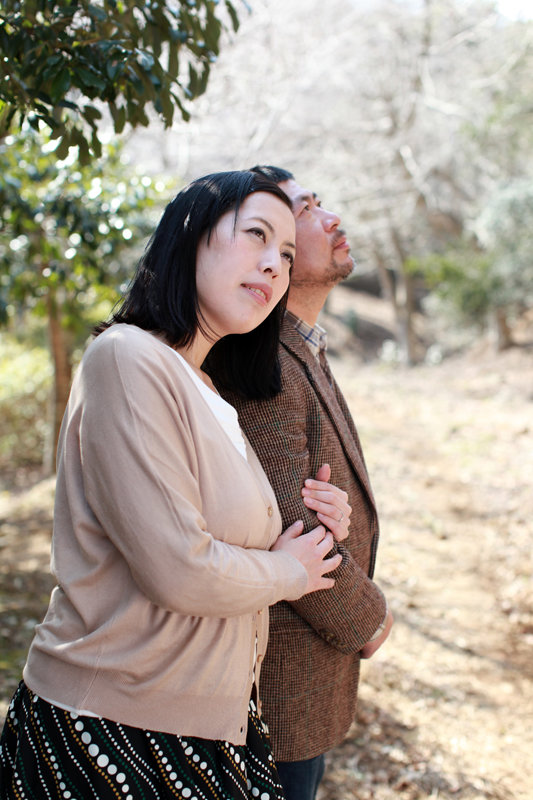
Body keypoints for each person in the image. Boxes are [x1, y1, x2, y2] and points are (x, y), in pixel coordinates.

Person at [0, 170, 352, 800]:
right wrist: (290, 571)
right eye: (256, 236)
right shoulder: (127, 358)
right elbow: (178, 567)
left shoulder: (208, 389)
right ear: (190, 235)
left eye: (286, 254)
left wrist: (314, 525)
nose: (274, 266)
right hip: (111, 731)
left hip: (208, 728)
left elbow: (225, 535)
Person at [213, 166, 394, 800]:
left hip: (306, 685)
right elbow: (290, 524)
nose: (331, 218)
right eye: (307, 209)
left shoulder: (301, 347)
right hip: (276, 696)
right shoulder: (260, 360)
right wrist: (369, 619)